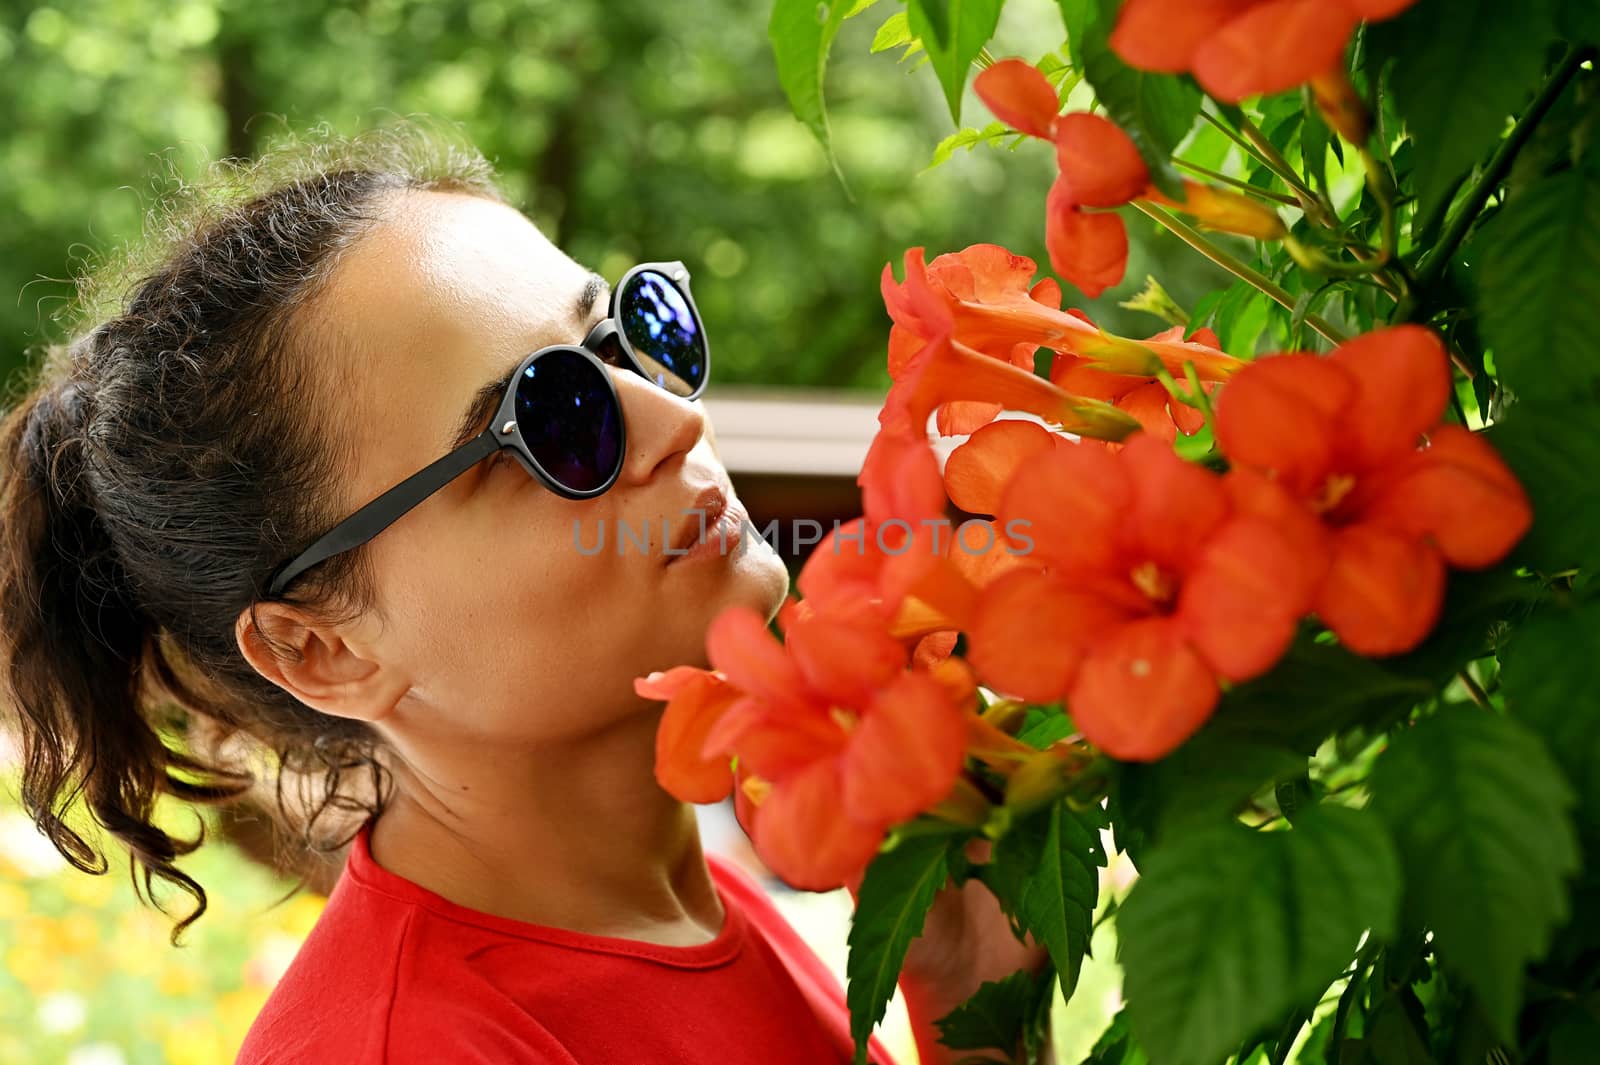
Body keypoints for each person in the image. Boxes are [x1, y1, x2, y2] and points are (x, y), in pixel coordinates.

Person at [0, 123, 1045, 1065]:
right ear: (322, 650)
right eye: (549, 421)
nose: (672, 422)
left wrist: (974, 1009)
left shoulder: (671, 905)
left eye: (624, 338)